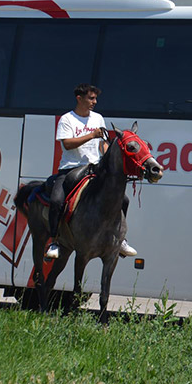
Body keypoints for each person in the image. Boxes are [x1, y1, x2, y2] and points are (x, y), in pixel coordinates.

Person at [46, 83, 137, 260]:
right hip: (70, 168)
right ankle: (54, 241)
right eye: (91, 98)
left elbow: (102, 143)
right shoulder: (67, 119)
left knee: (123, 199)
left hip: (93, 169)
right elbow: (67, 144)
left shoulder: (98, 118)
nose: (94, 102)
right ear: (79, 98)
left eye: (95, 98)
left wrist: (106, 154)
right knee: (56, 200)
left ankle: (120, 239)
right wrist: (91, 135)